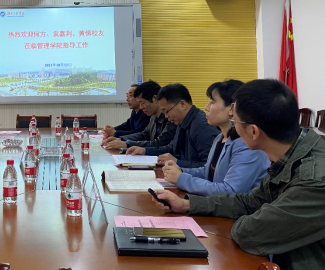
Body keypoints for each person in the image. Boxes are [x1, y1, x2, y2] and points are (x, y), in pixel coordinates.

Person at [150, 79, 325, 270]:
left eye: (235, 122)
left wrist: (254, 217)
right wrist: (187, 204)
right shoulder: (288, 156)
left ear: (253, 131)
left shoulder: (314, 180)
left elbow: (251, 233)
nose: (233, 128)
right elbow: (250, 201)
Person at [162, 80, 269, 196]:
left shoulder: (247, 144)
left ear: (231, 108)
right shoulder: (220, 138)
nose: (206, 107)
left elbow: (230, 191)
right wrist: (181, 171)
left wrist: (182, 179)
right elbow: (208, 172)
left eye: (212, 102)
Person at [127, 83, 220, 167]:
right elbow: (171, 148)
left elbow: (209, 168)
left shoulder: (202, 126)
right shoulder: (182, 120)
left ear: (182, 104)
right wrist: (145, 150)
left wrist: (177, 162)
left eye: (167, 111)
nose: (166, 116)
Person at [103, 80, 177, 150]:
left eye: (143, 103)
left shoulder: (170, 118)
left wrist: (127, 144)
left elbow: (159, 143)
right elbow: (144, 134)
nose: (141, 107)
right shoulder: (153, 117)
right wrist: (121, 139)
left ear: (154, 98)